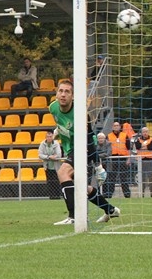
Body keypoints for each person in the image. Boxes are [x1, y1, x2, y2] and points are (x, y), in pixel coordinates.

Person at [49, 80, 119, 225]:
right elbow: (62, 123)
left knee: (63, 173)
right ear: (56, 93)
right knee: (81, 187)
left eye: (67, 92)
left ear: (73, 96)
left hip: (84, 146)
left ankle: (74, 217)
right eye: (60, 91)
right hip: (70, 149)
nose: (63, 95)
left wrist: (98, 165)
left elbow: (89, 138)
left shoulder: (80, 113)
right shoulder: (53, 108)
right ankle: (111, 210)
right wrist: (58, 131)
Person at [106, 121, 132, 199]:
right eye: (115, 125)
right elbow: (106, 148)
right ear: (112, 127)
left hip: (122, 159)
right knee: (111, 178)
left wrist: (128, 159)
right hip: (113, 159)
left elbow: (129, 148)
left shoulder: (125, 135)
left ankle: (127, 195)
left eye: (117, 125)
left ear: (120, 127)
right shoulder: (109, 136)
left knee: (124, 178)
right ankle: (109, 194)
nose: (116, 127)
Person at [133, 127, 152, 197]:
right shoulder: (138, 140)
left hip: (150, 160)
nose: (145, 133)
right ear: (141, 132)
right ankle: (142, 193)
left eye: (146, 132)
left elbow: (151, 147)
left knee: (151, 177)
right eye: (144, 132)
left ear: (148, 132)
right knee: (142, 178)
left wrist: (144, 147)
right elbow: (138, 147)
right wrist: (146, 146)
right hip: (141, 161)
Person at [37, 130, 63, 199]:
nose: (49, 138)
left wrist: (53, 157)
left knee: (56, 181)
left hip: (56, 167)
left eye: (50, 136)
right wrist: (49, 157)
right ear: (46, 137)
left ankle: (57, 196)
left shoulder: (56, 143)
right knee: (49, 181)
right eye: (48, 136)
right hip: (47, 166)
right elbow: (40, 155)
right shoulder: (42, 144)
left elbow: (59, 154)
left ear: (53, 137)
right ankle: (51, 196)